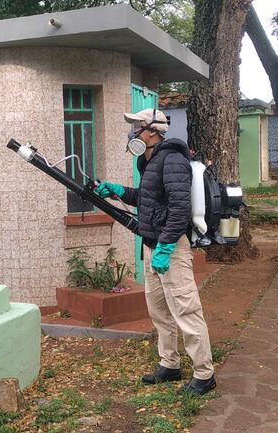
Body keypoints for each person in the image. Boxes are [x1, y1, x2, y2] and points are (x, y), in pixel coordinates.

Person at [95, 108, 216, 395]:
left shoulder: (172, 159)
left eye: (137, 125)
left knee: (186, 310)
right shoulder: (147, 160)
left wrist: (166, 245)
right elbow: (148, 200)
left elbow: (179, 208)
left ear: (152, 131)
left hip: (170, 248)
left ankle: (204, 374)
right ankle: (170, 364)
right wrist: (119, 191)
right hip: (152, 245)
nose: (132, 131)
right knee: (160, 312)